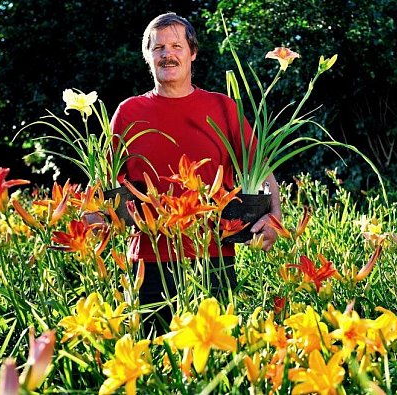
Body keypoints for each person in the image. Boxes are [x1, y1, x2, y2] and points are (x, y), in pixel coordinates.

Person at [110, 12, 281, 329]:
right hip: (148, 260)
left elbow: (260, 168)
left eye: (176, 45)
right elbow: (108, 181)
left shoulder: (223, 107)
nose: (167, 54)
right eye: (158, 47)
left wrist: (274, 217)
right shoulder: (128, 111)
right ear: (148, 56)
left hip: (213, 255)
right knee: (151, 360)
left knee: (214, 360)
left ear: (193, 53)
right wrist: (95, 219)